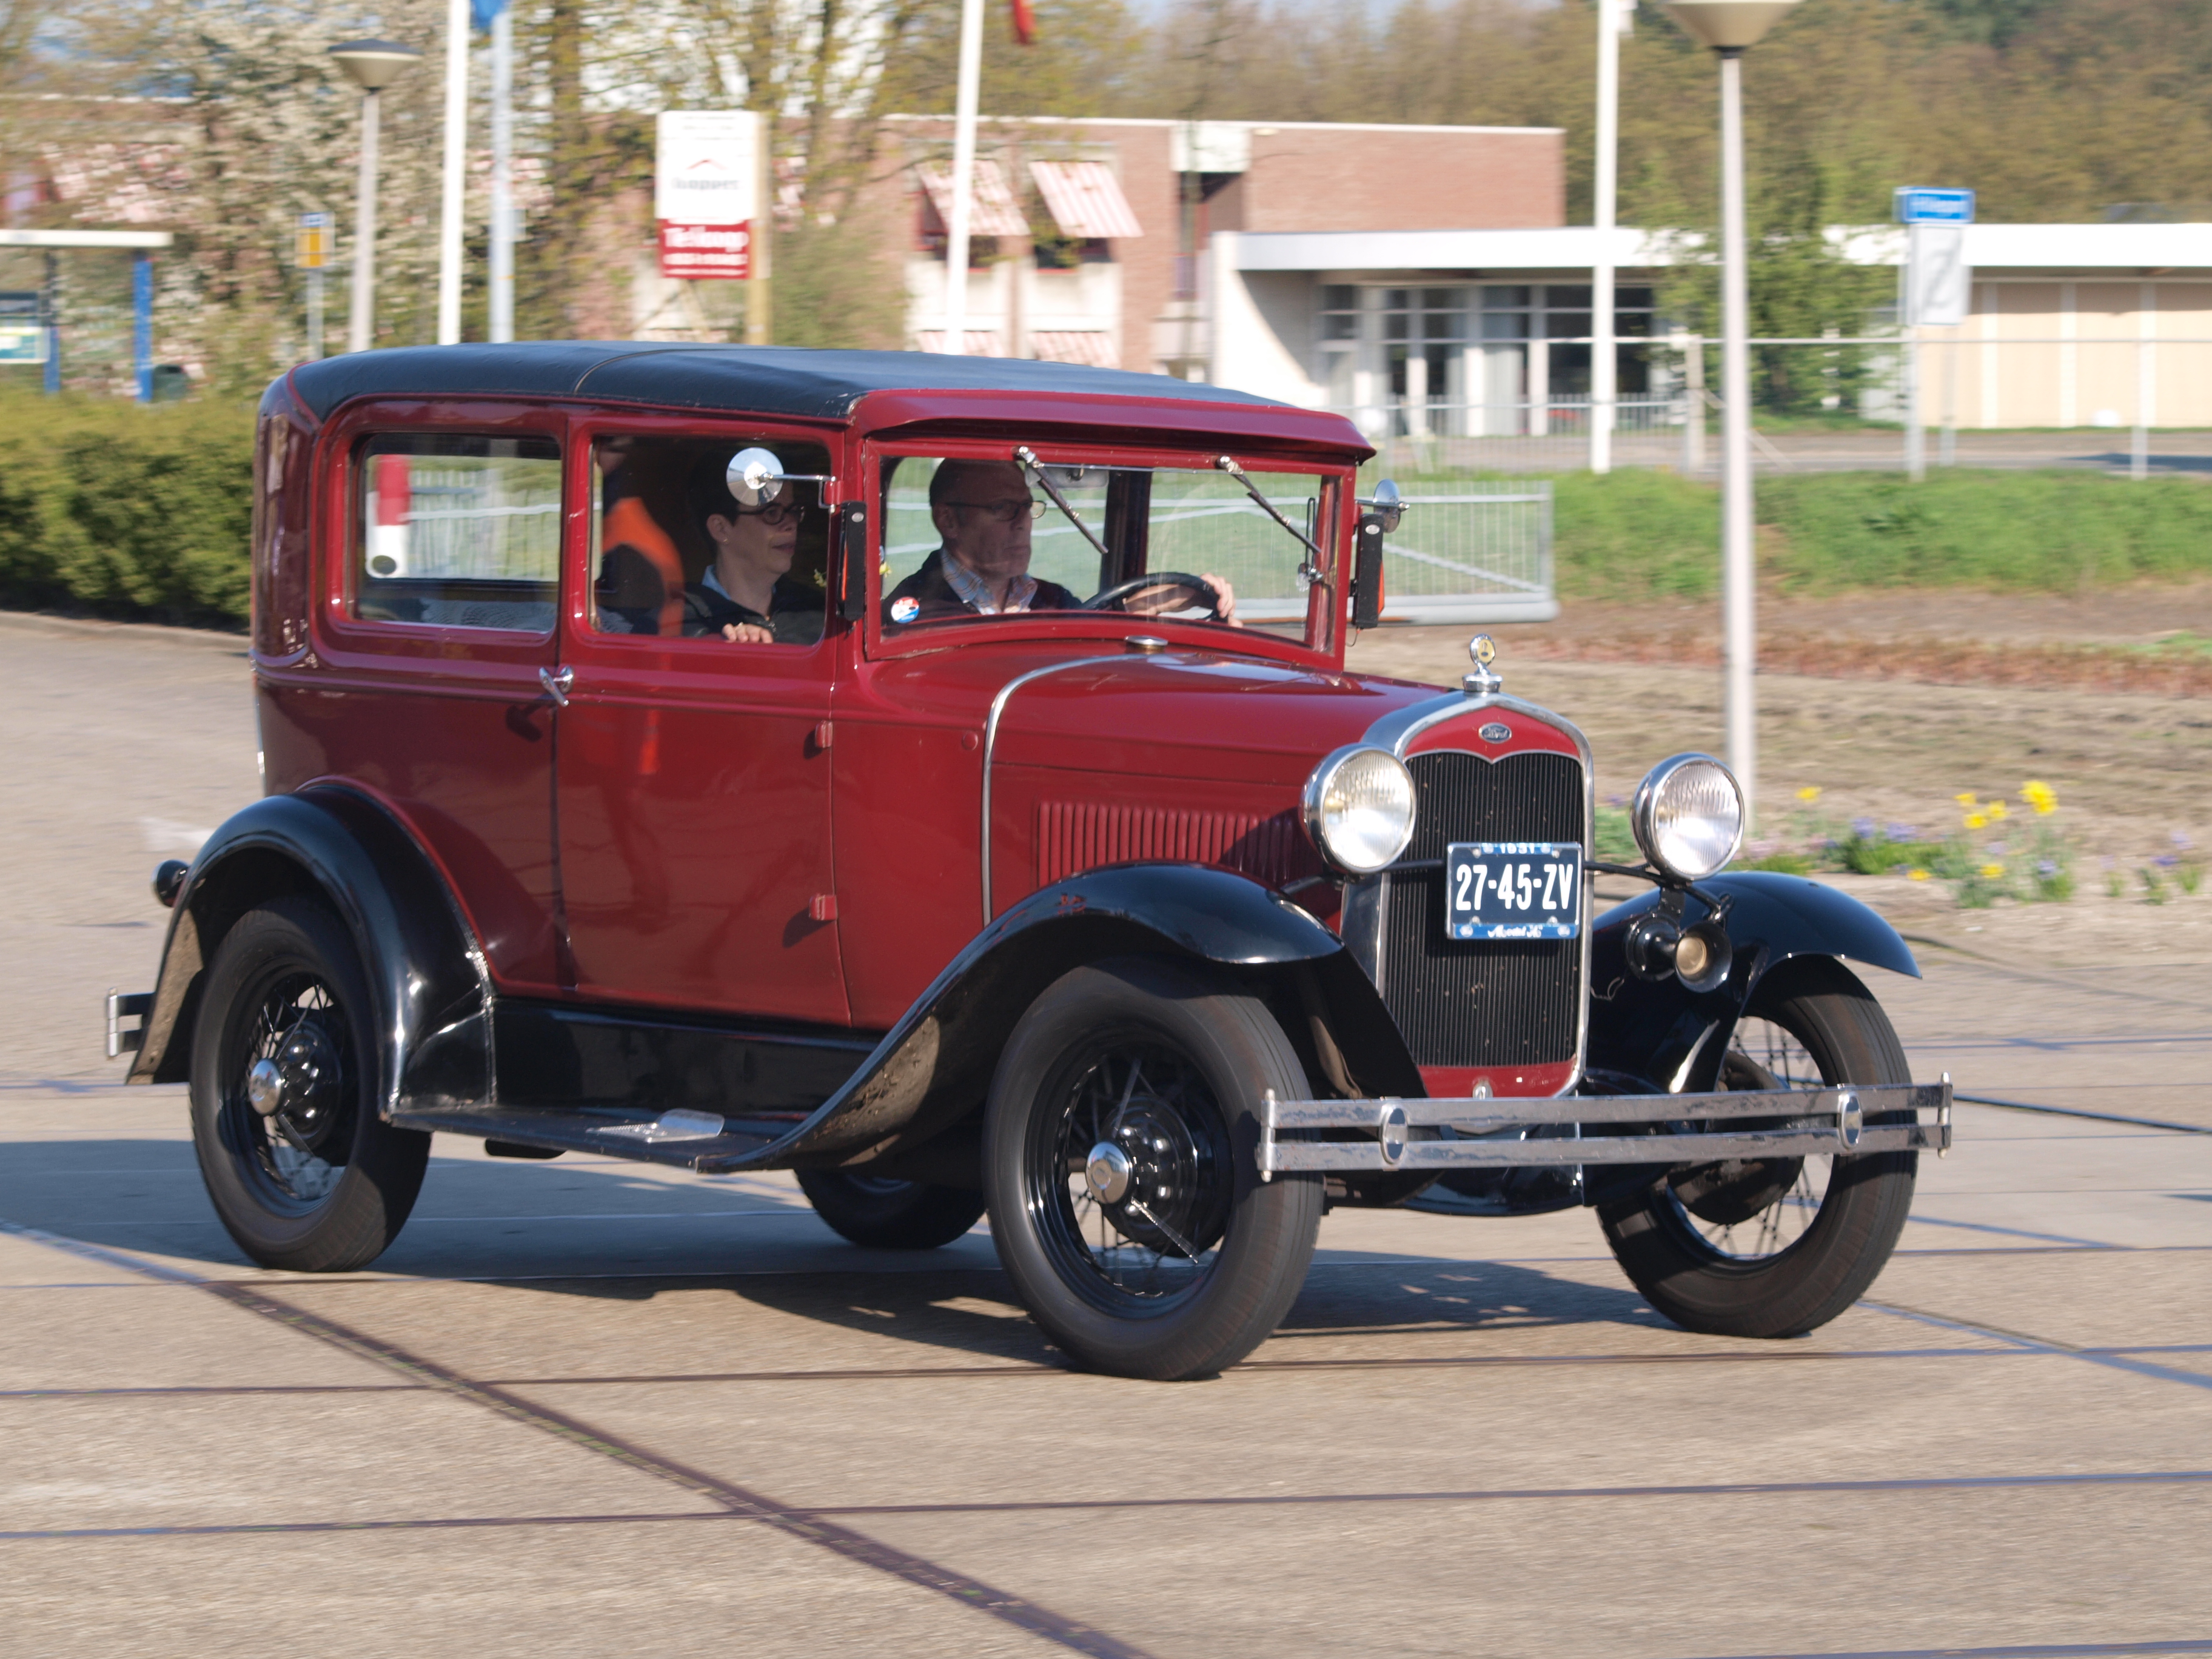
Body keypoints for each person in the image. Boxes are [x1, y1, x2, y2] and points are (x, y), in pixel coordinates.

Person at [885, 457, 1236, 626]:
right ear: (949, 521)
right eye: (1003, 508)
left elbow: (1098, 621)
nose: (1023, 524)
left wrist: (1181, 595)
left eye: (1027, 507)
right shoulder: (914, 611)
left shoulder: (1048, 598)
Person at [683, 451, 823, 645]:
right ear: (721, 529)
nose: (792, 524)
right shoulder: (679, 623)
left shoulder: (818, 614)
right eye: (772, 513)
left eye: (794, 511)